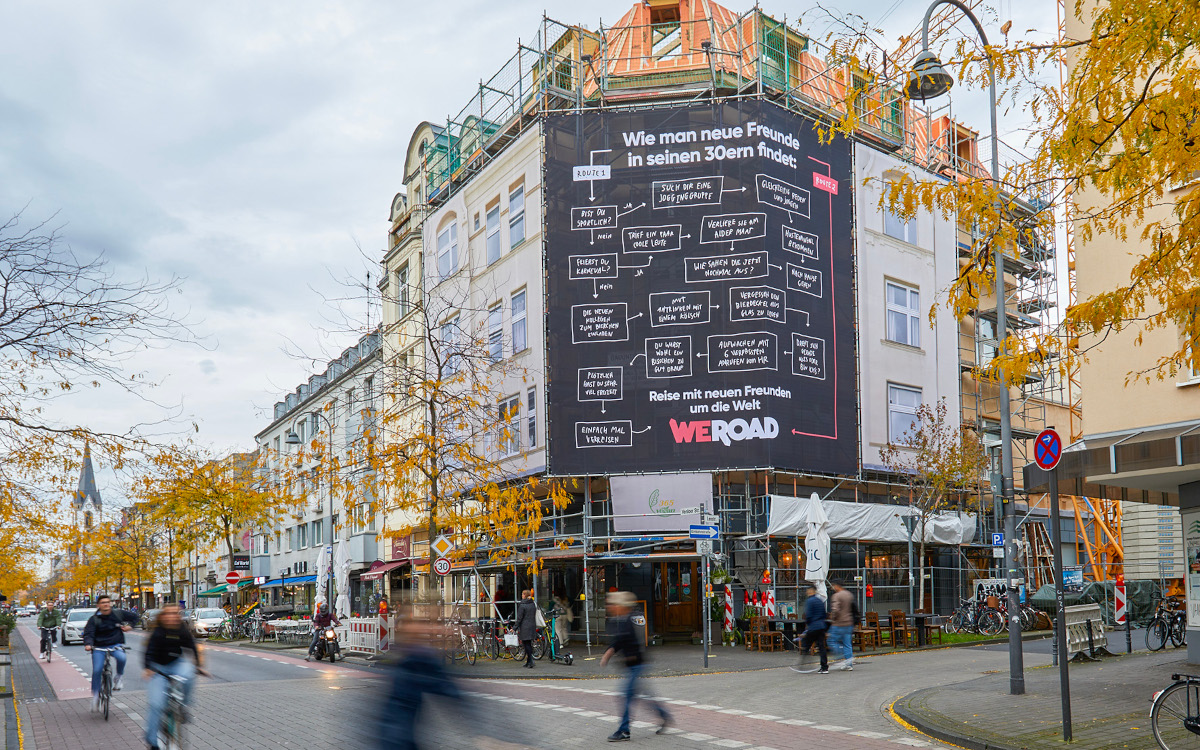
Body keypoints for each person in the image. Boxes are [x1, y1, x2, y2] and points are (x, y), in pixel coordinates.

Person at [600, 591, 671, 742]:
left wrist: (611, 654)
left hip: (636, 665)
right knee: (643, 697)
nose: (610, 607)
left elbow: (628, 640)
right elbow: (619, 641)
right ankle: (664, 716)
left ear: (621, 606)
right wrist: (610, 652)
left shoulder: (629, 620)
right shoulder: (623, 619)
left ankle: (624, 730)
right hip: (634, 665)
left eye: (613, 605)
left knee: (626, 696)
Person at [143, 602, 205, 750]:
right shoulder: (157, 632)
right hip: (158, 667)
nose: (171, 617)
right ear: (163, 616)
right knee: (156, 704)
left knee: (189, 675)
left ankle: (183, 706)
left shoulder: (182, 630)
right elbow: (148, 653)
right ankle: (152, 740)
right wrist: (148, 668)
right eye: (168, 614)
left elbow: (192, 646)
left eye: (174, 614)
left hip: (177, 664)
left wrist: (198, 665)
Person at [82, 594, 140, 711]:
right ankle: (96, 696)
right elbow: (88, 633)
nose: (106, 604)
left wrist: (130, 626)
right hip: (99, 647)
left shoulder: (118, 614)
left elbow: (135, 618)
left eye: (108, 602)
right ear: (99, 605)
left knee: (122, 658)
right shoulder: (94, 619)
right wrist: (88, 644)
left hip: (115, 644)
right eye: (103, 603)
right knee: (97, 670)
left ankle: (118, 677)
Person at [792, 585, 829, 674]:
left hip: (813, 627)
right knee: (821, 647)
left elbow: (808, 615)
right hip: (821, 626)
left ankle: (802, 665)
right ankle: (824, 667)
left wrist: (808, 624)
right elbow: (824, 614)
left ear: (810, 591)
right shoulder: (820, 601)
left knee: (806, 644)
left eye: (808, 591)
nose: (807, 593)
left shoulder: (809, 601)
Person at [827, 581, 855, 671]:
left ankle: (842, 655)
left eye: (833, 585)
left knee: (831, 641)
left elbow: (835, 610)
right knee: (847, 643)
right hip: (849, 622)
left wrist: (833, 618)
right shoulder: (849, 594)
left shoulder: (837, 596)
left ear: (836, 586)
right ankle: (849, 663)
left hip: (839, 623)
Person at [514, 589, 538, 669]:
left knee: (526, 644)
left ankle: (530, 661)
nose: (522, 595)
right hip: (532, 625)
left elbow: (519, 618)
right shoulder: (532, 604)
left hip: (525, 627)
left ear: (525, 595)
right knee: (529, 643)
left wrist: (514, 628)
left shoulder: (522, 605)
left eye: (523, 594)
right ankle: (528, 661)